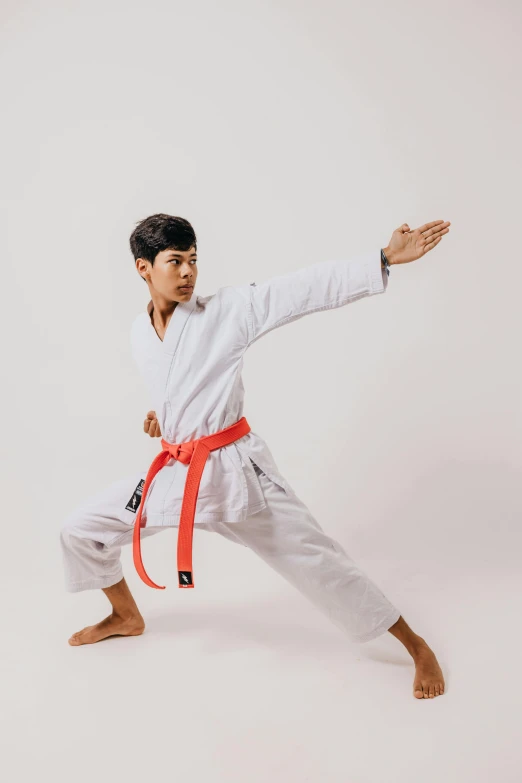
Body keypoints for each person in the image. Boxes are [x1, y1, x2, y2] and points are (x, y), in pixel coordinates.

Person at [60, 213, 450, 699]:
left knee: (319, 563)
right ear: (144, 268)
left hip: (236, 475)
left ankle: (417, 647)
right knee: (81, 528)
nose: (188, 273)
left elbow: (302, 288)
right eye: (175, 262)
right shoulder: (140, 333)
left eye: (194, 261)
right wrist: (165, 416)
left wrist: (385, 257)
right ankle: (125, 614)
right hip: (179, 473)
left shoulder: (228, 310)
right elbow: (177, 383)